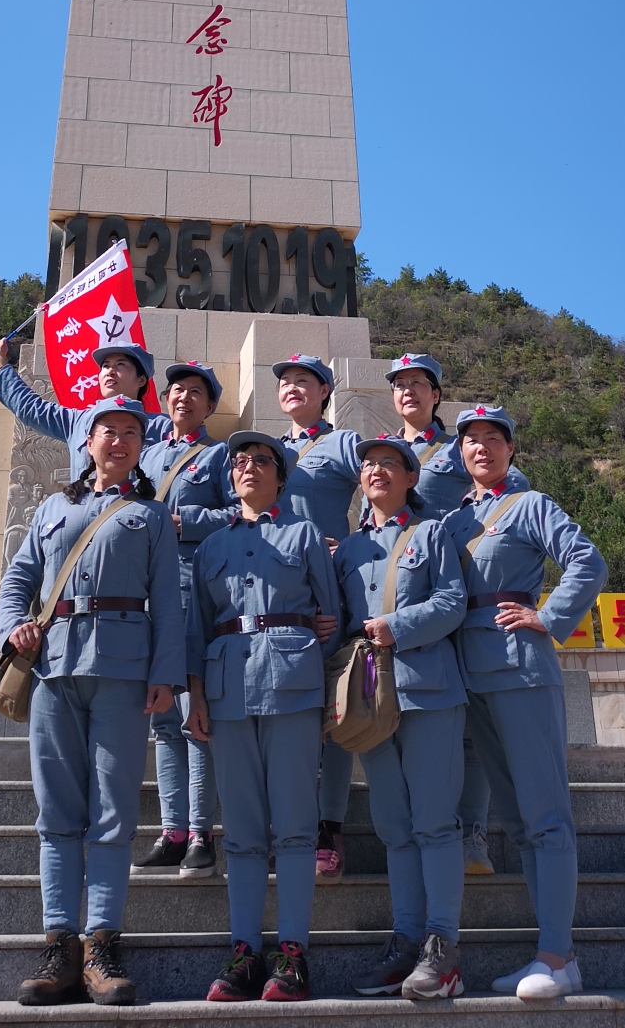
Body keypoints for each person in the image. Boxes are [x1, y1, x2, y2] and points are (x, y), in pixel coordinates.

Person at [0, 395, 185, 1007]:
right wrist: (11, 627)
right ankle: (60, 941)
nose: (121, 441)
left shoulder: (151, 516)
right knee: (56, 810)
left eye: (132, 432)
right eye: (110, 431)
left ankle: (102, 941)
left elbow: (168, 601)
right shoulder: (53, 506)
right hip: (53, 666)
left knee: (112, 811)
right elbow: (19, 579)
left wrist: (166, 675)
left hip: (125, 673)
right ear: (88, 440)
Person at [443, 404, 607, 1002]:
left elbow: (588, 561)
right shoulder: (456, 517)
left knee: (545, 817)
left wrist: (549, 616)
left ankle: (558, 956)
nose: (481, 448)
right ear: (459, 452)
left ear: (511, 450)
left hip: (519, 667)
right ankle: (548, 952)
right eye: (471, 441)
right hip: (470, 672)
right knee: (515, 820)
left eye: (493, 439)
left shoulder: (530, 505)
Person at [186, 429, 340, 1004]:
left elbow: (331, 616)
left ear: (281, 475)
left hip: (293, 689)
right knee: (245, 832)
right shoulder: (209, 546)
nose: (249, 467)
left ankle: (293, 954)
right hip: (226, 691)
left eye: (262, 461)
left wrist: (308, 665)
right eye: (240, 461)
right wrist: (196, 696)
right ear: (230, 477)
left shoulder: (302, 535)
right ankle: (245, 951)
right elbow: (198, 628)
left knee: (296, 828)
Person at [381, 353, 528, 877]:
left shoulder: (465, 446)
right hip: (408, 604)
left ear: (437, 394)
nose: (408, 393)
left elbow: (513, 499)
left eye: (418, 384)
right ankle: (420, 828)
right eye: (399, 385)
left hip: (467, 598)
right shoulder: (387, 454)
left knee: (471, 727)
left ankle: (471, 833)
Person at [335, 435, 469, 1001]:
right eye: (368, 465)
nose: (377, 471)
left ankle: (443, 949)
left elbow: (452, 601)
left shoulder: (431, 533)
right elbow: (341, 619)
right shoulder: (345, 550)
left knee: (435, 822)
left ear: (411, 479)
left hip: (428, 691)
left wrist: (397, 625)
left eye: (390, 464)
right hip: (369, 700)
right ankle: (408, 938)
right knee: (393, 826)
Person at [133, 361, 233, 878]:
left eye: (196, 393)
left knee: (196, 721)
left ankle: (201, 833)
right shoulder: (146, 454)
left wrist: (184, 520)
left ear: (210, 406)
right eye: (176, 391)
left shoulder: (219, 456)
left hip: (193, 597)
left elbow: (240, 513)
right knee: (163, 721)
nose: (183, 398)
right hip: (146, 597)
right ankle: (172, 831)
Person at [267, 354, 364, 882]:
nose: (292, 388)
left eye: (304, 381)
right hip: (279, 598)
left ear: (325, 391)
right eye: (285, 382)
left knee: (332, 714)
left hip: (326, 593)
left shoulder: (342, 443)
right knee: (292, 716)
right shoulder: (269, 451)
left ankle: (329, 829)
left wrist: (351, 545)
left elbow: (382, 488)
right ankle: (291, 827)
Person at [0, 335, 169, 480]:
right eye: (105, 366)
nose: (110, 371)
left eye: (121, 365)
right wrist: (0, 365)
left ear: (142, 380)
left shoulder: (163, 428)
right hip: (89, 522)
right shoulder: (78, 421)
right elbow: (32, 409)